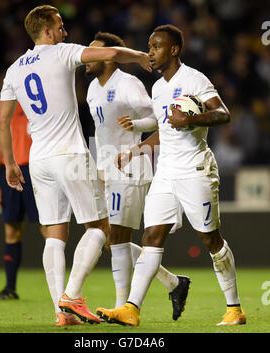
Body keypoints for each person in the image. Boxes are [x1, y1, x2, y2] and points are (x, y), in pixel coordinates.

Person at [0, 5, 152, 327]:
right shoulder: (62, 52)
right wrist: (139, 56)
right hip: (69, 154)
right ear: (48, 31)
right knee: (99, 227)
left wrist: (10, 163)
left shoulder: (14, 69)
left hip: (38, 159)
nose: (65, 31)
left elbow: (3, 121)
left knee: (54, 234)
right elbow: (111, 52)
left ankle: (61, 312)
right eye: (61, 25)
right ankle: (71, 296)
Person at [96, 24, 246, 327]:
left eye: (157, 46)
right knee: (151, 236)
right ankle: (131, 308)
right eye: (150, 46)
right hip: (166, 171)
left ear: (173, 50)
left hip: (195, 170)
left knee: (210, 239)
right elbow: (165, 132)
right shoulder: (158, 87)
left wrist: (191, 117)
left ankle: (234, 308)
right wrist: (135, 150)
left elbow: (223, 113)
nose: (150, 52)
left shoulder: (194, 79)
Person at [85, 31, 190, 320]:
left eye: (95, 52)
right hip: (108, 164)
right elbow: (101, 130)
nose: (88, 57)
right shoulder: (92, 88)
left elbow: (158, 118)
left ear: (110, 57)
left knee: (117, 235)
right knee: (109, 236)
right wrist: (99, 166)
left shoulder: (128, 83)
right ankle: (173, 282)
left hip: (132, 164)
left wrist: (136, 123)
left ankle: (124, 306)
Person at [0, 103, 45, 301]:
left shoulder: (35, 101)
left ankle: (61, 288)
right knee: (12, 231)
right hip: (9, 171)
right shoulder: (1, 107)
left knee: (47, 227)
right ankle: (10, 288)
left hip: (35, 170)